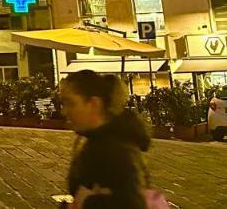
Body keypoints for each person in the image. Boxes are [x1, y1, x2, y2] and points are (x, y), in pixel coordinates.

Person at [61, 70, 162, 209]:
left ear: (94, 104)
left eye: (71, 103)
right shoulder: (92, 140)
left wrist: (86, 202)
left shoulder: (118, 149)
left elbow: (132, 204)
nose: (64, 111)